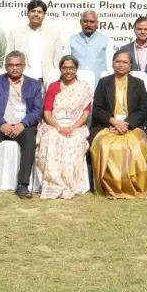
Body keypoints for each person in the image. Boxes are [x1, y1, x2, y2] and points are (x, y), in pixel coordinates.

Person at [0, 51, 43, 199]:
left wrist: (23, 124)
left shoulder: (34, 84)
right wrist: (1, 124)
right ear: (5, 66)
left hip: (22, 125)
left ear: (24, 66)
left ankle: (23, 185)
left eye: (18, 65)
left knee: (30, 139)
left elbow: (37, 110)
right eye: (11, 65)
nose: (14, 68)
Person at [89, 49, 147, 199]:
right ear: (112, 63)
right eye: (118, 61)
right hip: (108, 126)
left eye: (125, 62)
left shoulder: (138, 83)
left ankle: (132, 186)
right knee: (105, 145)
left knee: (135, 146)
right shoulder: (104, 83)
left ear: (130, 65)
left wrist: (127, 124)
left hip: (132, 127)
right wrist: (114, 121)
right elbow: (97, 109)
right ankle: (109, 186)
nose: (121, 65)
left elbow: (143, 109)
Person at [35, 55, 93, 200]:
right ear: (60, 69)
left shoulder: (83, 88)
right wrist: (58, 127)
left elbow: (85, 114)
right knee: (51, 138)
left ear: (76, 69)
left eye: (71, 68)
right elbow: (47, 112)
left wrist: (72, 127)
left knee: (74, 141)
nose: (68, 71)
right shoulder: (54, 86)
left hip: (76, 125)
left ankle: (70, 184)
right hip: (54, 124)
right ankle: (53, 183)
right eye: (65, 68)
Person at [9, 0, 65, 83]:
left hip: (46, 81)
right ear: (27, 13)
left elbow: (58, 60)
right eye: (33, 11)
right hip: (21, 81)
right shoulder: (15, 33)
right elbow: (8, 59)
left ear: (44, 15)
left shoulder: (54, 34)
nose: (36, 14)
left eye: (39, 12)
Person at [66, 9, 111, 84]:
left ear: (97, 23)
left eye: (92, 22)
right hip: (76, 84)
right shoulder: (72, 40)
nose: (88, 24)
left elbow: (110, 66)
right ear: (81, 23)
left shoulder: (106, 40)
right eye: (85, 21)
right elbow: (66, 63)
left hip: (99, 84)